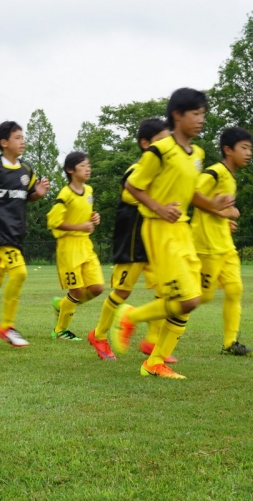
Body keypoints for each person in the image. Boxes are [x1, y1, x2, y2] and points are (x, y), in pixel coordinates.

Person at [118, 87, 234, 379]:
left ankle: (155, 362)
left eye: (203, 114)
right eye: (195, 114)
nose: (200, 120)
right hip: (160, 230)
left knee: (193, 298)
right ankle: (131, 316)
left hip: (182, 229)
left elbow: (193, 194)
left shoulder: (197, 154)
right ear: (177, 115)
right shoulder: (159, 151)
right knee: (188, 299)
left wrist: (215, 206)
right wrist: (158, 208)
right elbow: (133, 186)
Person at [87, 118, 176, 362]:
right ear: (145, 144)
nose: (165, 146)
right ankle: (99, 335)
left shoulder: (163, 173)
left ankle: (151, 342)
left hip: (155, 245)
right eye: (160, 141)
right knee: (121, 294)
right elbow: (130, 192)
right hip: (133, 245)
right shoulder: (135, 171)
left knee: (165, 293)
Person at [0, 121, 50, 347]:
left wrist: (39, 193)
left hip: (15, 232)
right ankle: (7, 326)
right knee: (19, 274)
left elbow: (28, 196)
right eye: (17, 137)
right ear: (4, 143)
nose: (22, 141)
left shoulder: (26, 170)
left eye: (22, 137)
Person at [192, 127, 253, 356]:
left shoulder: (230, 177)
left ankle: (231, 343)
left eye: (250, 148)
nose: (249, 153)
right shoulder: (215, 172)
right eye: (244, 148)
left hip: (225, 245)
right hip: (207, 245)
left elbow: (214, 207)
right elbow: (192, 194)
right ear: (228, 150)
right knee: (201, 297)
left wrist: (223, 220)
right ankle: (146, 321)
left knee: (235, 289)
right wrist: (224, 213)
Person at [47, 151, 104, 341]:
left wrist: (93, 217)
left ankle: (63, 305)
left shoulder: (89, 191)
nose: (88, 168)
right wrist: (79, 226)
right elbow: (53, 221)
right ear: (70, 170)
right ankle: (60, 330)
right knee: (77, 290)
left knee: (97, 288)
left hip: (85, 245)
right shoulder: (65, 193)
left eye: (88, 165)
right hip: (68, 246)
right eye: (83, 166)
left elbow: (82, 213)